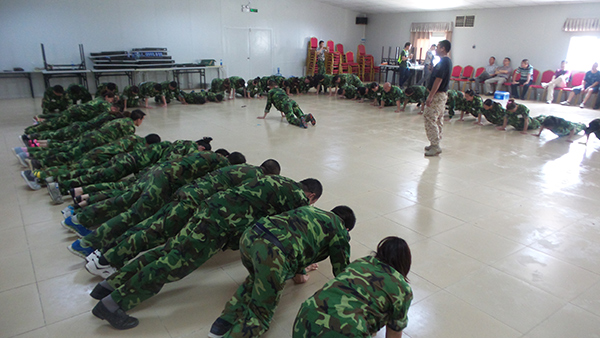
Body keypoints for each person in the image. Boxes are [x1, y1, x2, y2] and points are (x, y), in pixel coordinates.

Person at [87, 176, 322, 330]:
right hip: (217, 225)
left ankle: (108, 286)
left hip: (209, 208)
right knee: (171, 266)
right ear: (311, 196)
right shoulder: (298, 200)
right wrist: (301, 269)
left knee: (166, 251)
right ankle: (113, 304)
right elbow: (291, 237)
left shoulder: (280, 181)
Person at [208, 205, 356, 338]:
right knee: (260, 315)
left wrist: (301, 270)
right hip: (272, 253)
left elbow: (297, 237)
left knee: (255, 279)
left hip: (250, 237)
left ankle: (220, 326)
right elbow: (342, 271)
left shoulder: (310, 210)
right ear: (347, 228)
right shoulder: (339, 230)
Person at [292, 236, 413, 338]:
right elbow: (394, 331)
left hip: (307, 314)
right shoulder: (402, 288)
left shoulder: (361, 263)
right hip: (349, 330)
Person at [423, 40, 452, 156]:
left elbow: (438, 80)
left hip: (437, 95)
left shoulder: (444, 62)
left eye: (438, 47)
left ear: (443, 49)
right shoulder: (444, 62)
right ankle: (435, 142)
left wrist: (431, 96)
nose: (436, 49)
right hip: (441, 94)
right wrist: (431, 70)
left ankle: (435, 145)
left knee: (429, 116)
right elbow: (437, 76)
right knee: (438, 118)